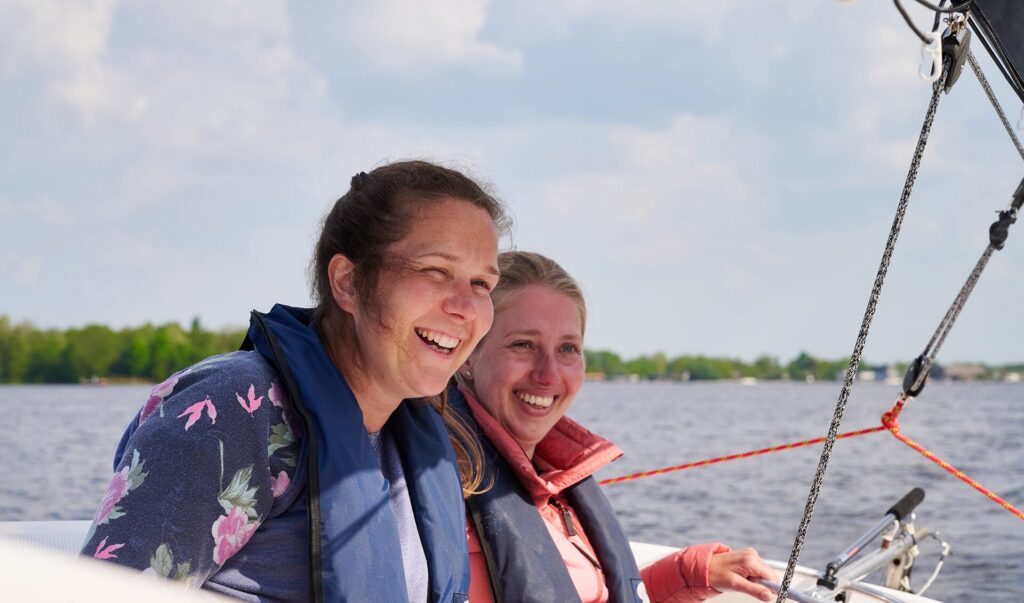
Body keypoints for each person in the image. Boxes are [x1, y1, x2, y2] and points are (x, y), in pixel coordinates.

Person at [81, 160, 509, 602]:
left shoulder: (414, 441)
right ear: (348, 282)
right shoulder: (233, 408)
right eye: (434, 271)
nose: (466, 307)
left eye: (481, 283)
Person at [450, 251, 779, 603]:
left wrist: (691, 572)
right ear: (469, 355)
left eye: (568, 348)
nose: (548, 374)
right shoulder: (447, 495)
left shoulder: (553, 485)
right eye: (523, 344)